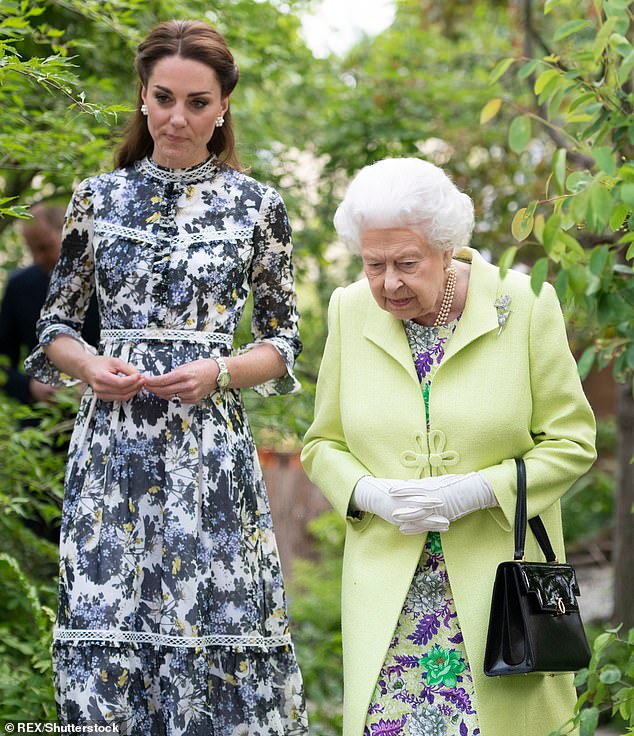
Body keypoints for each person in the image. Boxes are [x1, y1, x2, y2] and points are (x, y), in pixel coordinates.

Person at [25, 19, 307, 735]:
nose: (178, 117)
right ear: (142, 97)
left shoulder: (259, 208)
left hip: (209, 459)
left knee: (214, 634)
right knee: (106, 629)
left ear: (223, 108)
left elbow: (281, 343)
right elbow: (55, 326)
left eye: (198, 102)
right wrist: (89, 363)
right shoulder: (97, 199)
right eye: (164, 97)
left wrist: (219, 370)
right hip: (112, 454)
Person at [301, 157, 596, 736]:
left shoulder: (525, 303)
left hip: (501, 596)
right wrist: (368, 492)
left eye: (407, 263)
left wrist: (477, 490)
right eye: (373, 264)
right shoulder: (348, 308)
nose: (388, 283)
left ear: (447, 249)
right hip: (392, 596)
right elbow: (322, 444)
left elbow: (571, 441)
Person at [0, 204, 99, 404]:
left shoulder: (104, 283)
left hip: (105, 405)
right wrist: (30, 386)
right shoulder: (20, 286)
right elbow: (2, 360)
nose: (38, 258)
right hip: (41, 418)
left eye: (45, 247)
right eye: (32, 250)